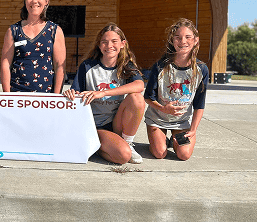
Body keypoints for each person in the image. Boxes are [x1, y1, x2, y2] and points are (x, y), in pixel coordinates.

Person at [63, 24, 145, 164]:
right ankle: (96, 144)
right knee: (123, 156)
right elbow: (76, 92)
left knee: (137, 98)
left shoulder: (126, 65)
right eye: (104, 42)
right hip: (96, 125)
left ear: (122, 44)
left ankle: (127, 142)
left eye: (114, 41)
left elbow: (140, 85)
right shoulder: (87, 66)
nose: (109, 45)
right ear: (99, 45)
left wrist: (103, 93)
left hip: (116, 123)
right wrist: (70, 93)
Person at [144, 18, 209, 161]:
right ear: (172, 41)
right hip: (158, 119)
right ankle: (160, 140)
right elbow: (147, 97)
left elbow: (199, 104)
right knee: (159, 153)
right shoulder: (160, 66)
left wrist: (193, 129)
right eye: (178, 37)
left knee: (184, 155)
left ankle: (174, 140)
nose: (182, 41)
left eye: (188, 37)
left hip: (181, 122)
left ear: (196, 40)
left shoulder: (201, 69)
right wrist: (163, 108)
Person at [0, 0, 66, 93]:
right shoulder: (13, 31)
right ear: (25, 1)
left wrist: (56, 97)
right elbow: (5, 63)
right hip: (17, 95)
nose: (34, 1)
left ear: (47, 1)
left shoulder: (55, 31)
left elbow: (60, 66)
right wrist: (7, 96)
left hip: (46, 97)